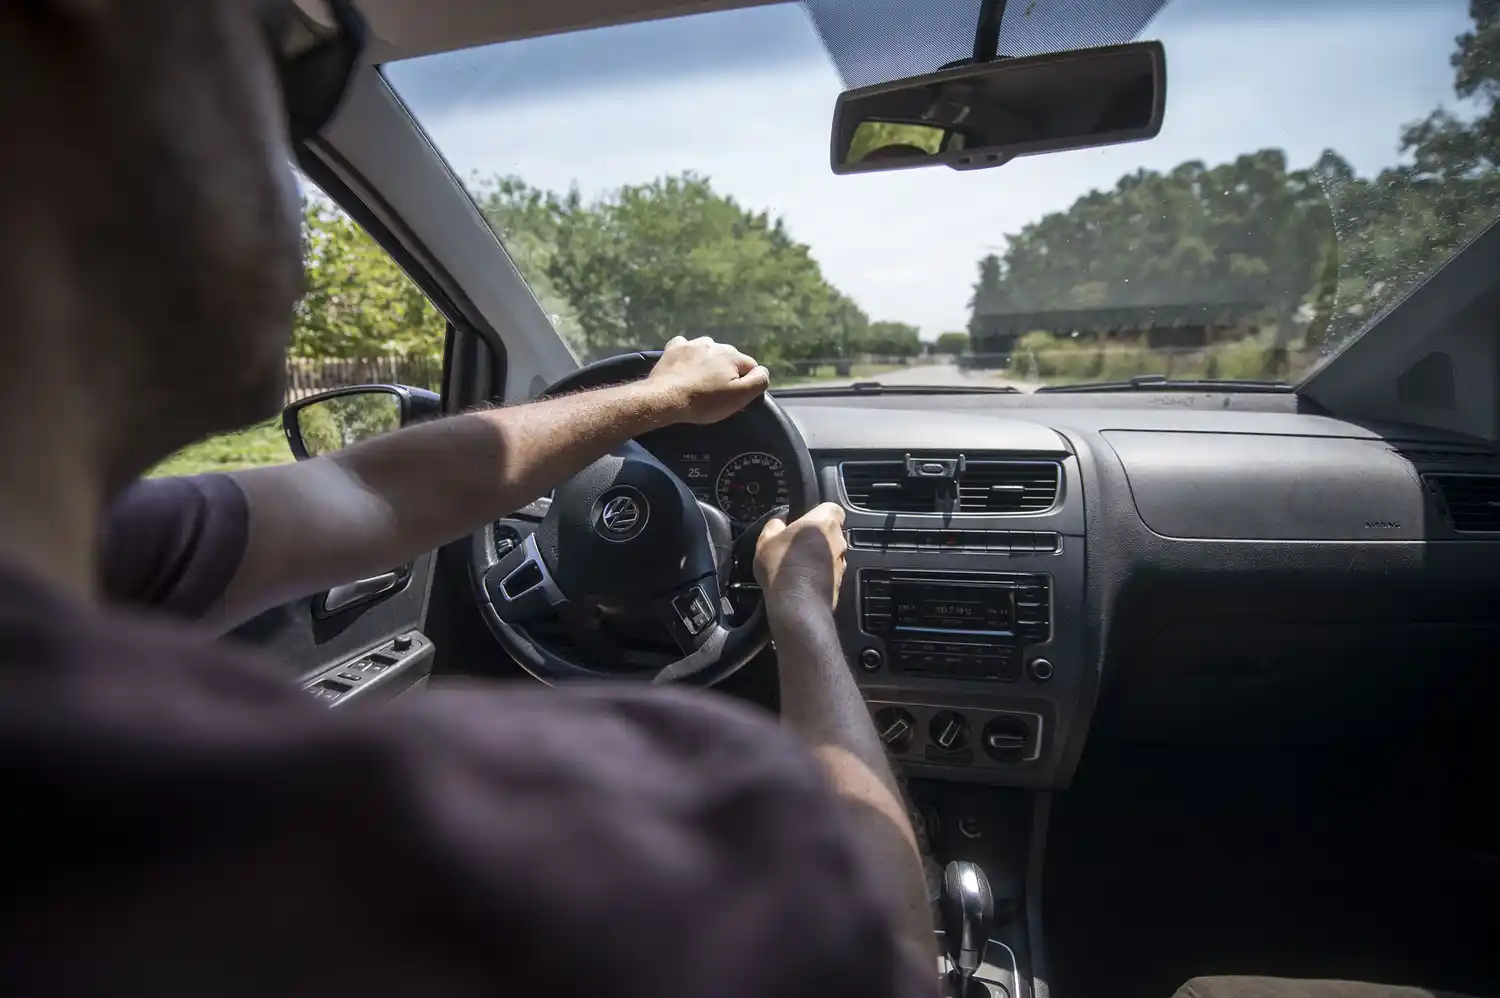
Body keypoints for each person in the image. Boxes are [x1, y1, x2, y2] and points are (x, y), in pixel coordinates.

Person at [0, 1, 933, 994]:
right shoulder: (570, 863)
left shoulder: (114, 549)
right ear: (89, 38)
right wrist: (800, 620)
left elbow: (368, 489)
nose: (288, 145)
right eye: (296, 56)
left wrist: (657, 400)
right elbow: (896, 954)